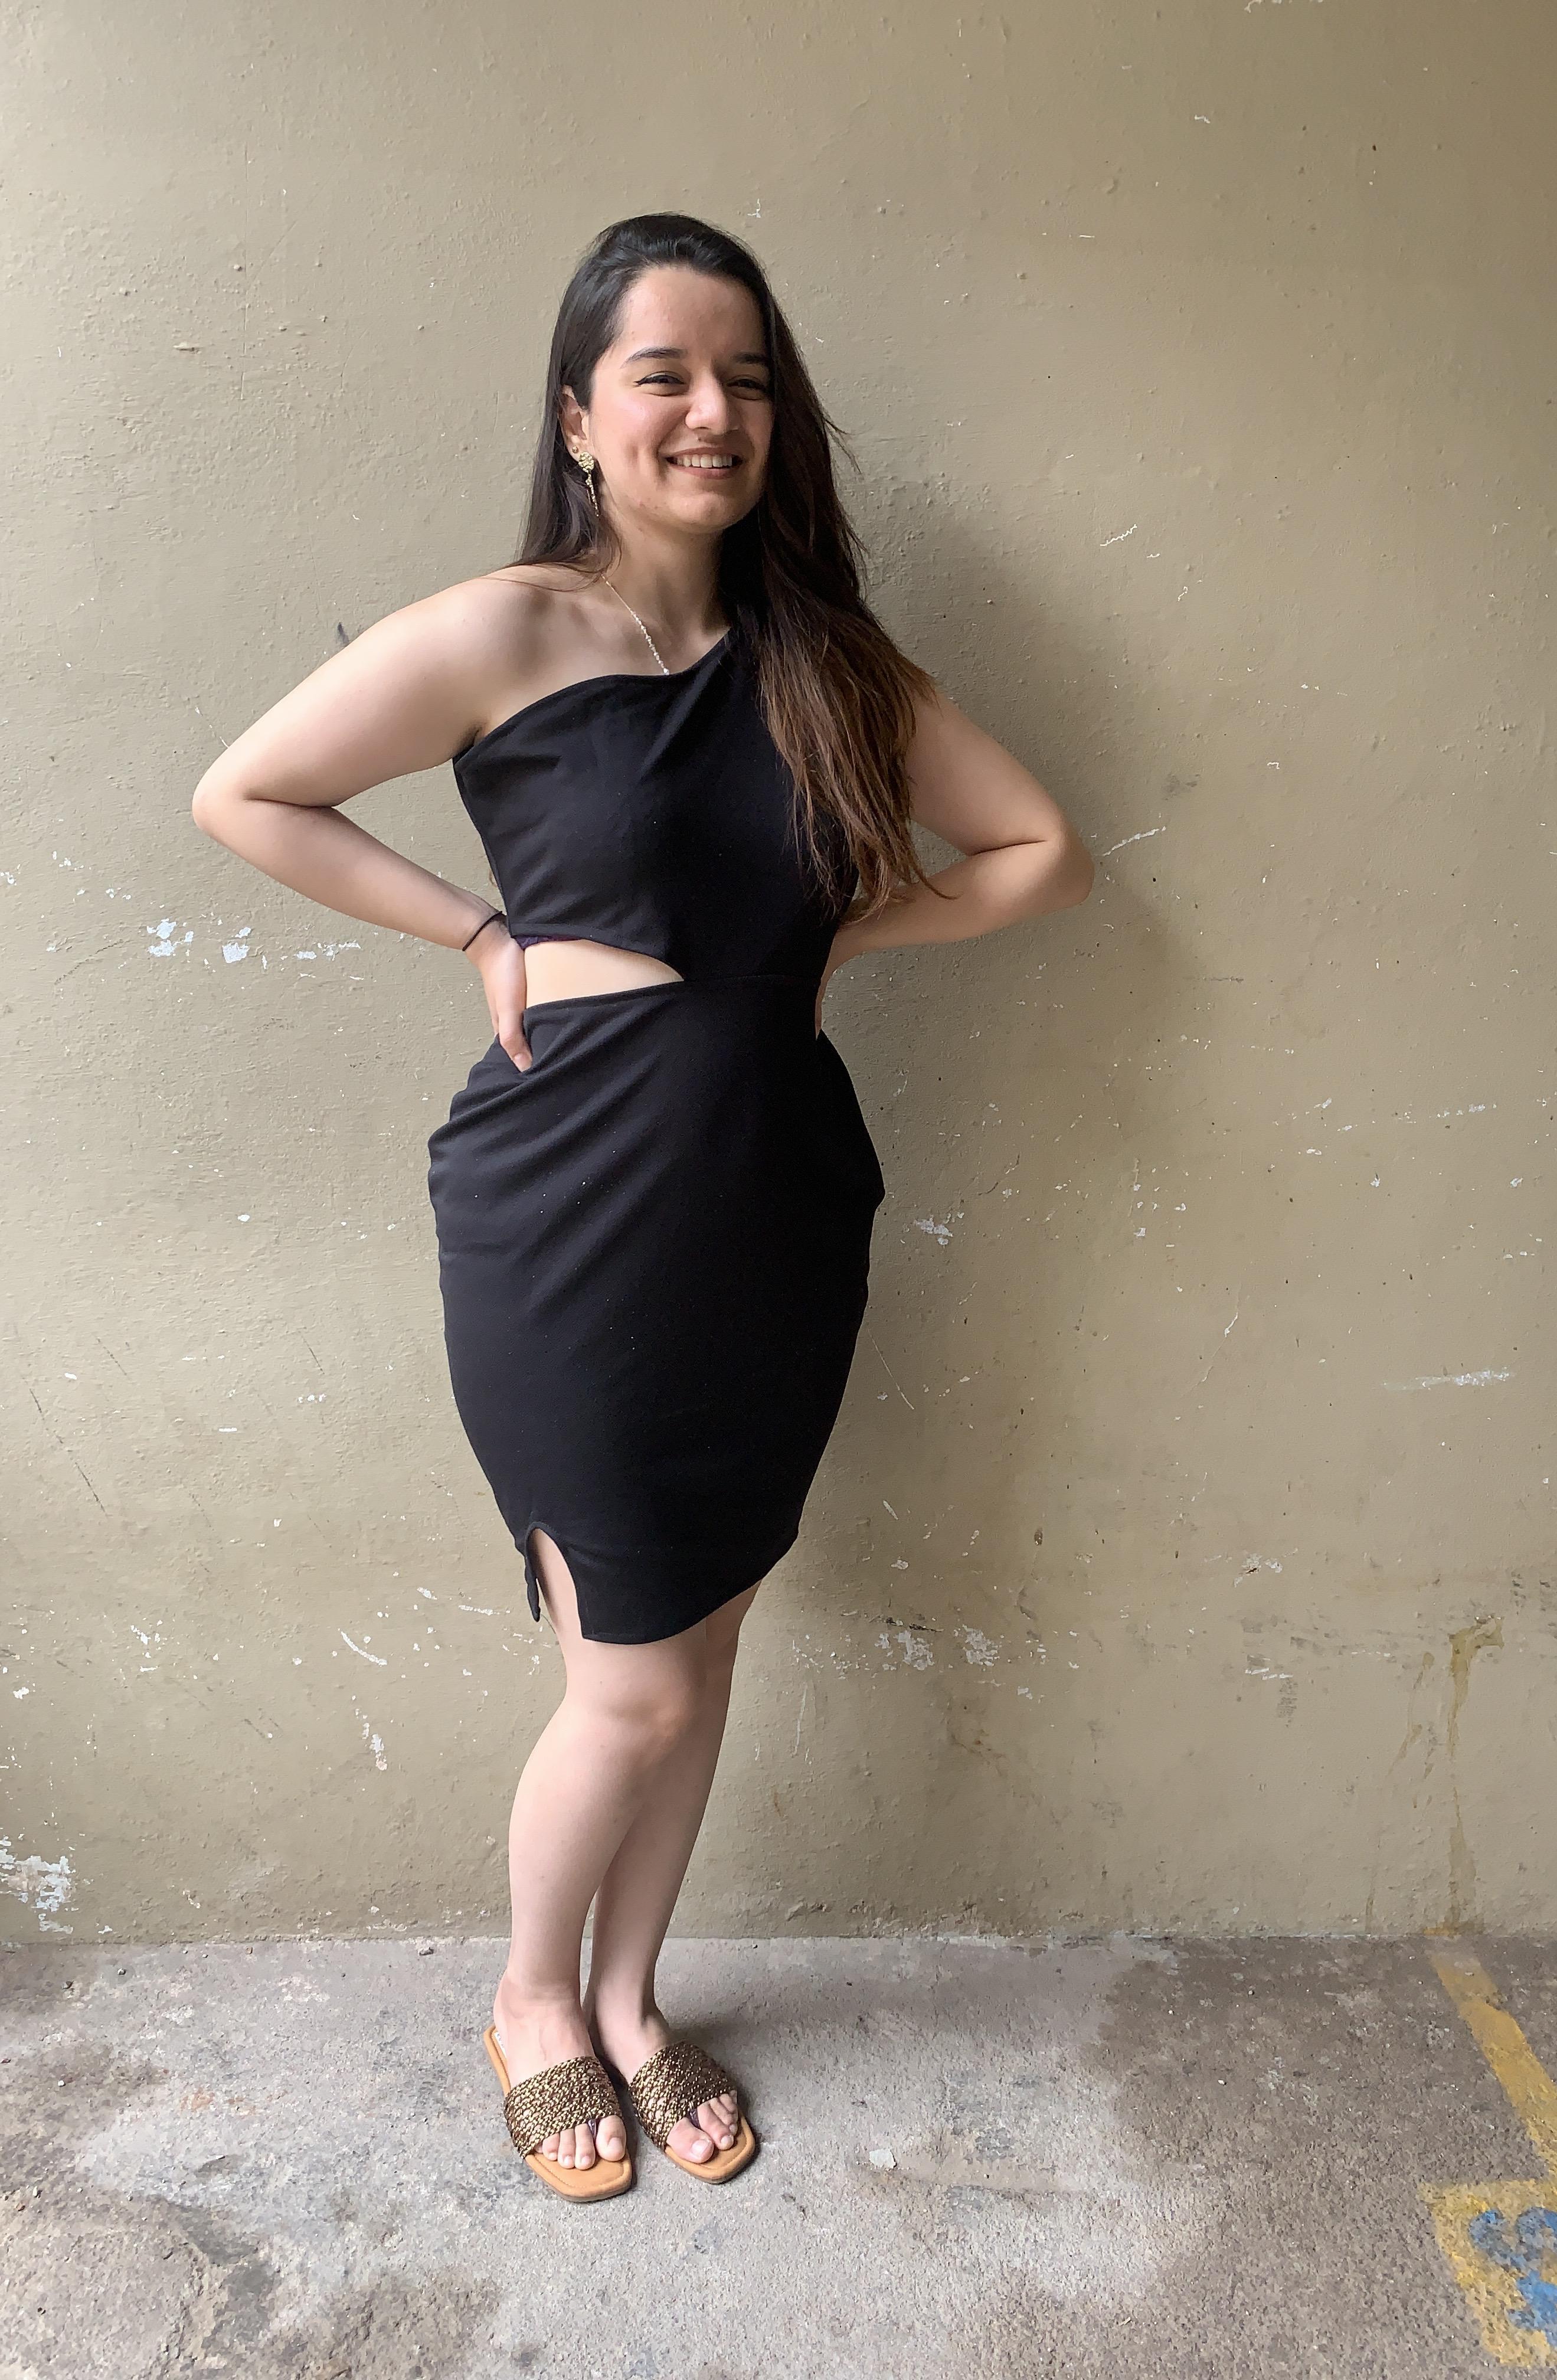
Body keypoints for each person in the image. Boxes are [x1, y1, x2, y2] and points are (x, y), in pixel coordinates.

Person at [191, 211, 1095, 2201]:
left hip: (778, 1207)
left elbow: (1040, 846)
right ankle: (533, 2001)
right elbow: (245, 794)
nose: (712, 411)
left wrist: (847, 934)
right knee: (632, 1675)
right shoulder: (504, 633)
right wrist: (477, 933)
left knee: (707, 1644)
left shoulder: (829, 664)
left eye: (747, 379)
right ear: (581, 418)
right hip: (569, 1214)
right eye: (666, 374)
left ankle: (629, 1994)